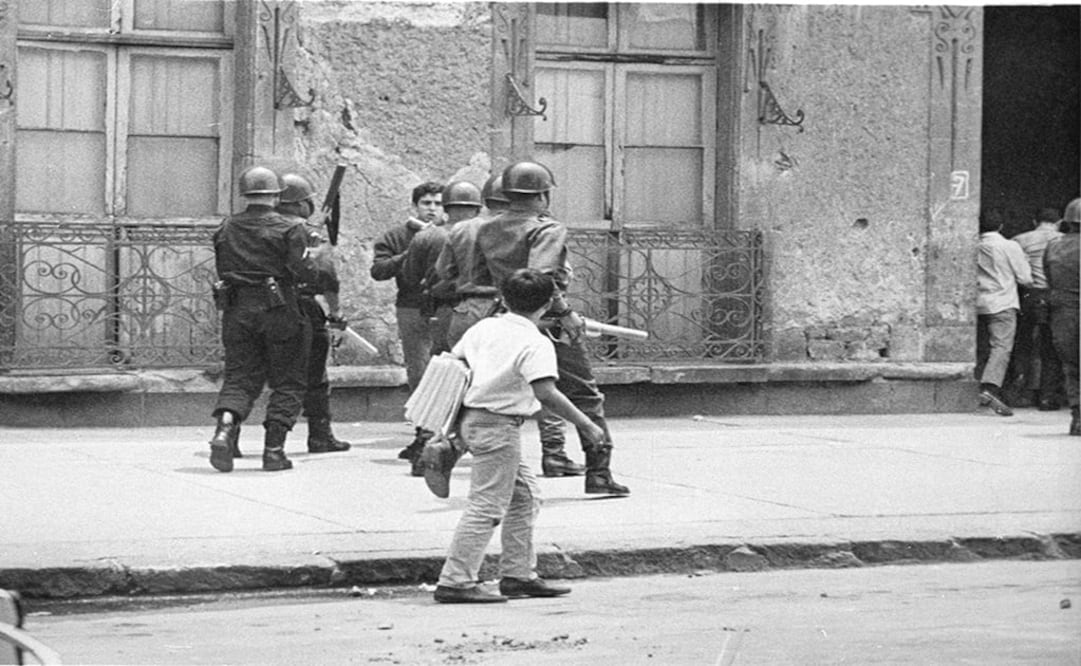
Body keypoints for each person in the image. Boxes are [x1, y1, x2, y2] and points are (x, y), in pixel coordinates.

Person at [433, 268, 604, 603]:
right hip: (498, 426)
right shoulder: (535, 343)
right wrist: (586, 424)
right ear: (546, 304)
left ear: (503, 298)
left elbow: (455, 364)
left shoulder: (484, 327)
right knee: (486, 505)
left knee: (525, 497)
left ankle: (518, 575)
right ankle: (455, 581)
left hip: (475, 420)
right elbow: (546, 392)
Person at [475, 160, 628, 494]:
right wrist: (566, 312)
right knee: (585, 394)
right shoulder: (547, 228)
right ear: (543, 195)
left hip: (503, 316)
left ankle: (445, 446)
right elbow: (542, 275)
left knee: (487, 392)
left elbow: (477, 277)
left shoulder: (486, 228)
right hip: (546, 321)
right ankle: (599, 473)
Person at [434, 174, 584, 478]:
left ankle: (442, 442)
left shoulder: (465, 229)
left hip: (467, 311)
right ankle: (554, 452)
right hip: (514, 308)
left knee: (466, 384)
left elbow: (443, 272)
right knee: (539, 378)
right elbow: (539, 276)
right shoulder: (533, 229)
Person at [207, 166, 315, 473]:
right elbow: (304, 272)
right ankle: (274, 450)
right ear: (277, 194)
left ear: (245, 194)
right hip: (280, 308)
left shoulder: (227, 226)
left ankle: (225, 428)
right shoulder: (290, 228)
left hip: (238, 309)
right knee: (289, 379)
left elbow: (221, 267)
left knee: (239, 376)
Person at [398, 180, 483, 475]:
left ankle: (425, 442)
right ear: (478, 206)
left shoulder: (429, 236)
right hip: (491, 312)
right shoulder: (491, 231)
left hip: (447, 312)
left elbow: (411, 275)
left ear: (446, 207)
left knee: (443, 378)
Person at [277, 172, 351, 454]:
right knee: (314, 375)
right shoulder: (307, 232)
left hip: (263, 308)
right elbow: (327, 276)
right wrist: (335, 311)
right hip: (302, 307)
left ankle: (230, 433)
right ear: (300, 203)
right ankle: (319, 434)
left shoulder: (264, 226)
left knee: (251, 376)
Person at [370, 181, 444, 462]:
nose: (432, 209)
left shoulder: (453, 233)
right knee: (419, 371)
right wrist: (412, 251)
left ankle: (445, 432)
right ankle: (423, 432)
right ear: (415, 206)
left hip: (446, 309)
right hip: (412, 308)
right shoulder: (397, 235)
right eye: (427, 203)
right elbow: (378, 270)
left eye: (438, 204)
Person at [975, 210, 1033, 417]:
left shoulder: (974, 245)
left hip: (977, 303)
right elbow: (1025, 278)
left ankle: (976, 385)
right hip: (1002, 302)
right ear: (1000, 226)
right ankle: (990, 388)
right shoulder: (1009, 246)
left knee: (982, 348)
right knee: (1001, 347)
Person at [1007, 206, 1064, 409]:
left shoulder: (1019, 240)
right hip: (1055, 295)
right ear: (1059, 222)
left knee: (1023, 344)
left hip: (1029, 295)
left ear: (1034, 221)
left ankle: (1019, 390)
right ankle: (1047, 396)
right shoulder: (1064, 241)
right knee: (1051, 347)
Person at [1043, 197, 1080, 435]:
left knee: (1072, 365)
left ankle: (1078, 416)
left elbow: (1049, 278)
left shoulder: (1054, 246)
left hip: (1063, 313)